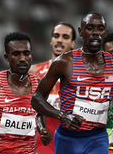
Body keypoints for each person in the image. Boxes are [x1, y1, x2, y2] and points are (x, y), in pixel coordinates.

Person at [31, 12, 113, 154]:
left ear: (105, 32)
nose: (95, 33)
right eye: (90, 28)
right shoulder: (64, 62)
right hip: (67, 139)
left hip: (97, 137)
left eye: (100, 28)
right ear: (81, 32)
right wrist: (62, 115)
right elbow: (36, 99)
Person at [29, 22, 76, 154]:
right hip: (44, 142)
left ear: (73, 43)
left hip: (72, 141)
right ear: (51, 41)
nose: (60, 40)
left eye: (65, 37)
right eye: (56, 36)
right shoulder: (33, 72)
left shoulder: (81, 75)